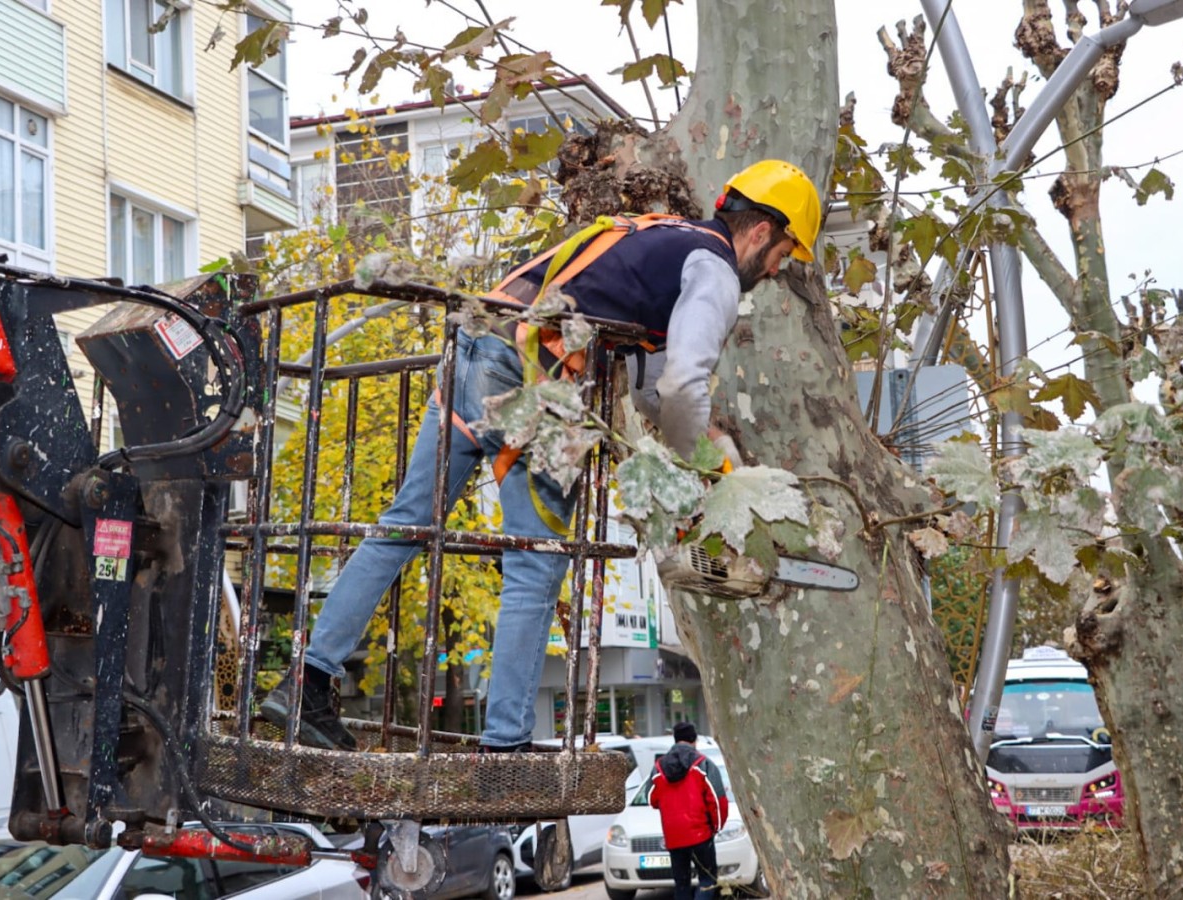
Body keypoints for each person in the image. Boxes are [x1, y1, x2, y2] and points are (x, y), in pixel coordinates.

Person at [260, 160, 822, 752]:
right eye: (786, 250)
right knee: (537, 559)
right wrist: (703, 478)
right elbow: (685, 384)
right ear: (761, 232)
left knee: (406, 524)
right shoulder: (716, 271)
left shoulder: (662, 239)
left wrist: (715, 462)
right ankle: (505, 739)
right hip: (531, 376)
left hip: (476, 348)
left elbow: (656, 388)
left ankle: (308, 680)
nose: (780, 267)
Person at [648, 721, 728, 899]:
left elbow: (651, 798)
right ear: (694, 739)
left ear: (675, 739)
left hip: (674, 836)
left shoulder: (658, 767)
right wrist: (716, 826)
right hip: (700, 834)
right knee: (707, 881)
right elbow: (718, 800)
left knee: (681, 884)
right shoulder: (703, 764)